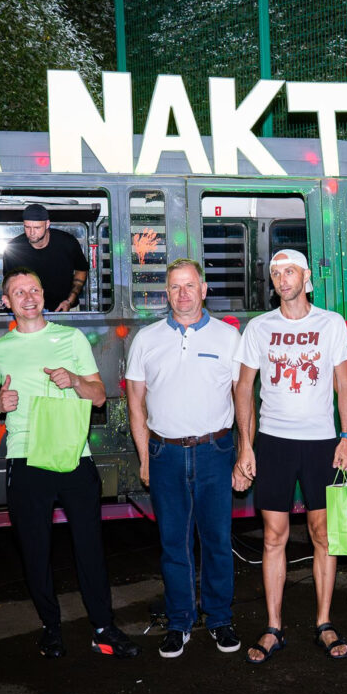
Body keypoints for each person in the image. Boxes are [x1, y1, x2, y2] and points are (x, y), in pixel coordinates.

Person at [0, 268, 140, 659]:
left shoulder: (71, 338)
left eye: (34, 289)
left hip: (73, 456)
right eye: (19, 292)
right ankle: (51, 628)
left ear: (44, 294)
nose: (28, 297)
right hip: (25, 458)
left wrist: (75, 381)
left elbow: (98, 397)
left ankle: (103, 627)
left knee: (90, 548)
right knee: (35, 551)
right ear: (7, 302)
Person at [232, 249, 347, 663]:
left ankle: (324, 623)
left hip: (321, 442)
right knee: (273, 537)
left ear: (306, 278)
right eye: (275, 273)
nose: (282, 279)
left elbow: (344, 383)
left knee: (323, 535)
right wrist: (246, 446)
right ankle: (274, 628)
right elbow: (243, 388)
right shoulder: (259, 327)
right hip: (274, 442)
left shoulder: (331, 323)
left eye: (289, 272)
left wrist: (345, 437)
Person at [125, 258, 243, 658]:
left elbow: (243, 399)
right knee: (173, 543)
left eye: (190, 285)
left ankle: (220, 618)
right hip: (165, 453)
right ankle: (179, 622)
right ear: (167, 293)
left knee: (217, 540)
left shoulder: (228, 338)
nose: (183, 294)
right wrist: (145, 456)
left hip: (215, 451)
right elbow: (135, 403)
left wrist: (245, 451)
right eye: (175, 287)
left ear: (204, 290)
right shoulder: (147, 339)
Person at [2, 203, 90, 312]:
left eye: (37, 227)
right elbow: (9, 284)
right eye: (27, 227)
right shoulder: (14, 248)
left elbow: (81, 270)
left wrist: (69, 300)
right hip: (29, 310)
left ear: (47, 224)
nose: (32, 233)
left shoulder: (67, 243)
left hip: (65, 308)